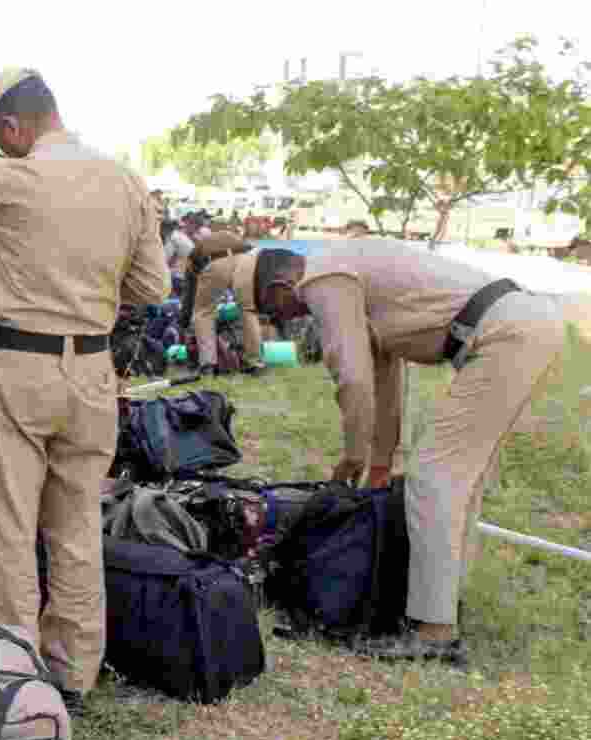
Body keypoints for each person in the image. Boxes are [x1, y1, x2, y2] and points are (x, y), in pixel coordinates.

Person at [0, 69, 169, 708]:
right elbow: (151, 287)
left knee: (7, 526)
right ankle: (72, 671)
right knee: (76, 528)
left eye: (0, 135)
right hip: (93, 370)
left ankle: (10, 668)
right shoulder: (126, 181)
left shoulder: (7, 179)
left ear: (12, 127)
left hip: (19, 367)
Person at [253, 239, 573, 662]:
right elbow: (384, 380)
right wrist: (381, 462)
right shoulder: (351, 275)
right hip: (523, 327)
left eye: (273, 308)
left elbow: (353, 378)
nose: (283, 319)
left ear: (283, 283)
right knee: (458, 477)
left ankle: (434, 634)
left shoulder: (321, 278)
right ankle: (441, 607)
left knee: (434, 476)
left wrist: (351, 457)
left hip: (507, 335)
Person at [187, 231, 265, 376]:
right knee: (248, 311)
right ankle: (255, 362)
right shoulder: (231, 236)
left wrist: (185, 319)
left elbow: (190, 286)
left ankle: (208, 364)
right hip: (246, 261)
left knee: (203, 313)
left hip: (217, 262)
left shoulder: (195, 251)